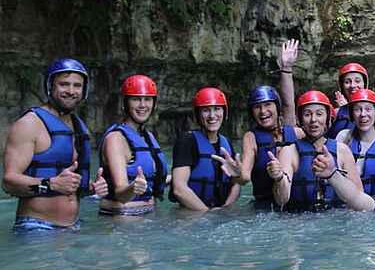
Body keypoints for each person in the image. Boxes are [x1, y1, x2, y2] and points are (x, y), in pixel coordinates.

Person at [2, 58, 108, 232]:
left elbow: (66, 181)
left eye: (77, 86)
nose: (71, 91)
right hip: (37, 227)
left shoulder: (79, 126)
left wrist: (91, 188)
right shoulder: (29, 124)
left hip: (73, 226)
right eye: (64, 84)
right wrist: (51, 184)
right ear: (50, 87)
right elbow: (8, 182)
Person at [268, 90, 362, 212]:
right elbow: (281, 200)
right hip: (300, 222)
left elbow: (359, 198)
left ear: (328, 117)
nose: (313, 120)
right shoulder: (288, 152)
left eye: (319, 114)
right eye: (307, 114)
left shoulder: (342, 150)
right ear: (300, 119)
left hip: (336, 221)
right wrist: (279, 178)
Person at [98, 75, 168, 216]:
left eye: (147, 99)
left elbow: (151, 180)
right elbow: (121, 195)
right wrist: (132, 188)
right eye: (136, 99)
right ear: (126, 103)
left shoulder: (148, 137)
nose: (143, 105)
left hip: (148, 216)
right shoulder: (116, 139)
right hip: (124, 218)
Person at [170, 87, 242, 211]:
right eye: (206, 110)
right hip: (191, 215)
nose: (212, 116)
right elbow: (179, 189)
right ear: (197, 115)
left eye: (217, 109)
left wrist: (225, 209)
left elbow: (236, 183)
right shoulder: (186, 141)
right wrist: (207, 214)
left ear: (224, 112)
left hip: (220, 215)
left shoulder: (227, 143)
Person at [240, 85, 304, 210]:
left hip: (298, 207)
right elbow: (245, 176)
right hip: (265, 208)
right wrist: (238, 174)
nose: (263, 111)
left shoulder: (298, 134)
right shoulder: (250, 138)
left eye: (268, 104)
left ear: (277, 106)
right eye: (257, 107)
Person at [336, 89, 375, 197]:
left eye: (368, 109)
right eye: (357, 109)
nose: (363, 114)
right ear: (351, 114)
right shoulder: (342, 137)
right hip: (348, 207)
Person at [328, 62, 375, 138]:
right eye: (347, 82)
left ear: (364, 84)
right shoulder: (336, 113)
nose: (352, 85)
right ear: (342, 87)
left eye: (357, 81)